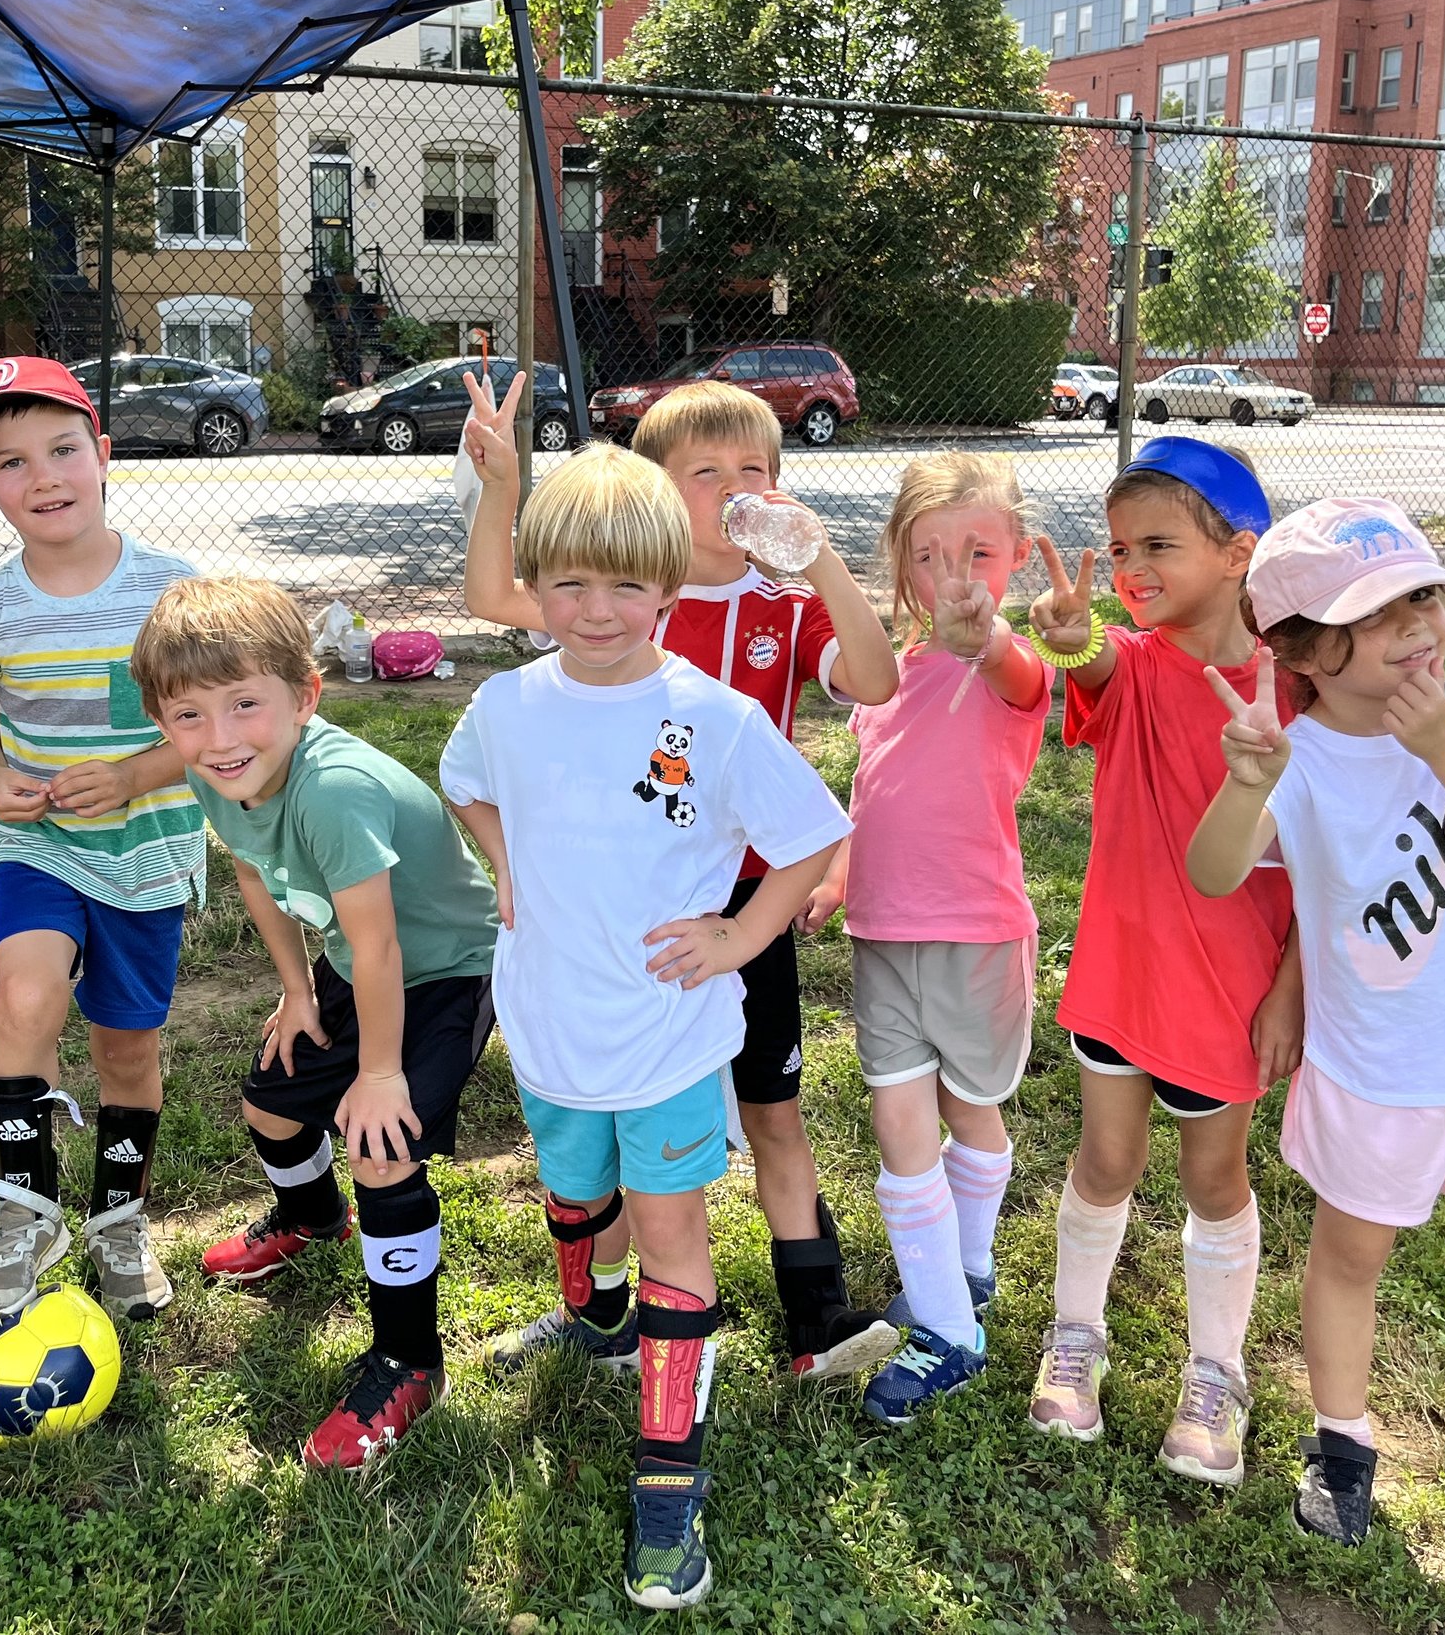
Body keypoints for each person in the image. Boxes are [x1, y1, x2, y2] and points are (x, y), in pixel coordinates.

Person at [439, 444, 849, 1609]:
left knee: (670, 1234)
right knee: (574, 1197)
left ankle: (669, 1483)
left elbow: (813, 836)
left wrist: (738, 936)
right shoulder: (505, 704)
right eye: (568, 585)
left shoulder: (710, 718)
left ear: (667, 588)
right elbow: (463, 780)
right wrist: (503, 855)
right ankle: (593, 1321)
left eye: (625, 587)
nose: (597, 610)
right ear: (536, 584)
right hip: (550, 1023)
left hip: (668, 1034)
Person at [461, 374, 898, 1384]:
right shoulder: (613, 599)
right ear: (655, 495)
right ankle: (601, 1312)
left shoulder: (782, 606)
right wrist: (503, 486)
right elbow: (492, 596)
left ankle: (815, 1319)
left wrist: (819, 554)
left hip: (748, 903)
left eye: (758, 470)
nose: (738, 489)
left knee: (772, 1108)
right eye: (706, 473)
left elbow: (876, 682)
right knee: (620, 1124)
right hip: (637, 918)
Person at [1188, 498, 1445, 1546]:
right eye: (1380, 613)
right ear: (1305, 651)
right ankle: (1342, 1441)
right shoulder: (1298, 755)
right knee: (1350, 1254)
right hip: (1369, 1067)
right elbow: (1214, 870)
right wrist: (1245, 787)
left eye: (1423, 597)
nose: (1418, 624)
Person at [129, 576, 500, 1471]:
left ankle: (411, 1359)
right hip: (351, 959)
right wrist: (297, 988)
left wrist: (379, 1075)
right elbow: (257, 871)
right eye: (188, 714)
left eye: (245, 704)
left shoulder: (333, 791)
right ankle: (311, 1214)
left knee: (383, 1141)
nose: (219, 737)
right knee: (270, 1103)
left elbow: (381, 950)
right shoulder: (219, 769)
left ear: (306, 695)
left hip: (448, 965)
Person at [1023, 435, 1303, 1485]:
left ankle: (1214, 1373)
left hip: (1229, 992)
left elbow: (1329, 866)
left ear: (1238, 552)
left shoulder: (1300, 689)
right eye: (1116, 548)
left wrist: (1289, 989)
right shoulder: (1133, 661)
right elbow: (1091, 660)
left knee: (1213, 1175)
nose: (1132, 569)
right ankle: (1073, 1338)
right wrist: (1069, 636)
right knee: (1103, 1162)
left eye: (1157, 546)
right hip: (1119, 970)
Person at [0, 357, 203, 1325]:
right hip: (37, 847)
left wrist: (133, 775)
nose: (42, 477)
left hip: (147, 850)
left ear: (104, 455)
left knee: (125, 1049)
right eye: (10, 463)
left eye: (61, 450)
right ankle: (23, 1215)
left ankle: (118, 1219)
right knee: (25, 993)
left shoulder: (174, 593)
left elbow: (220, 728)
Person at [798, 454, 1053, 1426]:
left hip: (979, 936)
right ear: (901, 569)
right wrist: (838, 874)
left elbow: (1022, 672)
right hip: (882, 941)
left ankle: (969, 1267)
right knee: (903, 1131)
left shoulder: (1008, 667)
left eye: (978, 553)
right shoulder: (883, 678)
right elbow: (880, 799)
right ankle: (952, 1329)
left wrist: (985, 639)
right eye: (930, 555)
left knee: (972, 1111)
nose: (954, 577)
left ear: (1015, 558)